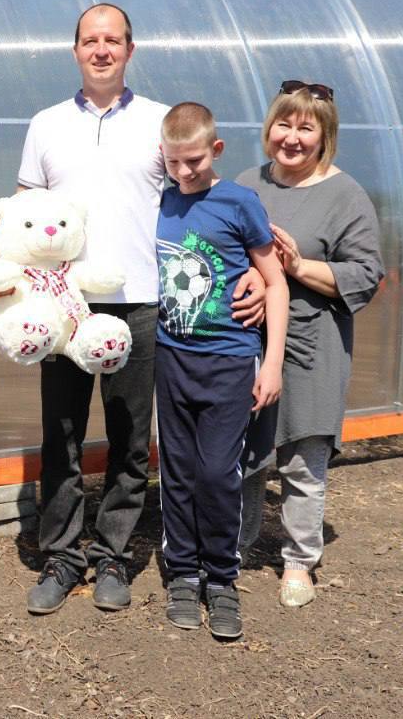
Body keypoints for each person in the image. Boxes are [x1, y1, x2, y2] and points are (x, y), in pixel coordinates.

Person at [17, 3, 267, 617]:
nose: (101, 50)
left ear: (131, 49)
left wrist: (258, 270)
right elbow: (24, 215)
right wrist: (25, 295)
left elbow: (207, 199)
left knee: (131, 438)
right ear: (74, 49)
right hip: (67, 307)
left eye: (113, 40)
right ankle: (62, 554)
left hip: (142, 303)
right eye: (89, 40)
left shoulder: (159, 122)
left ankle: (113, 556)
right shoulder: (46, 124)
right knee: (63, 435)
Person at [237, 81, 384, 608]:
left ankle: (299, 560)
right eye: (284, 124)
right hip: (248, 341)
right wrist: (247, 281)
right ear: (269, 127)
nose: (292, 138)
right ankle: (236, 547)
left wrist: (297, 267)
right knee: (247, 454)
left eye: (306, 128)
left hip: (313, 343)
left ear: (325, 137)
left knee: (303, 459)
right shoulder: (247, 183)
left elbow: (366, 274)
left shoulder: (345, 195)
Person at [154, 102, 289, 640]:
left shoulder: (239, 202)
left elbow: (274, 281)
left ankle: (222, 578)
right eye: (173, 161)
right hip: (172, 357)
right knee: (178, 471)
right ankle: (184, 574)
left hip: (231, 360)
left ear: (215, 150)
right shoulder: (161, 201)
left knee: (218, 473)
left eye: (193, 161)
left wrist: (272, 362)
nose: (184, 172)